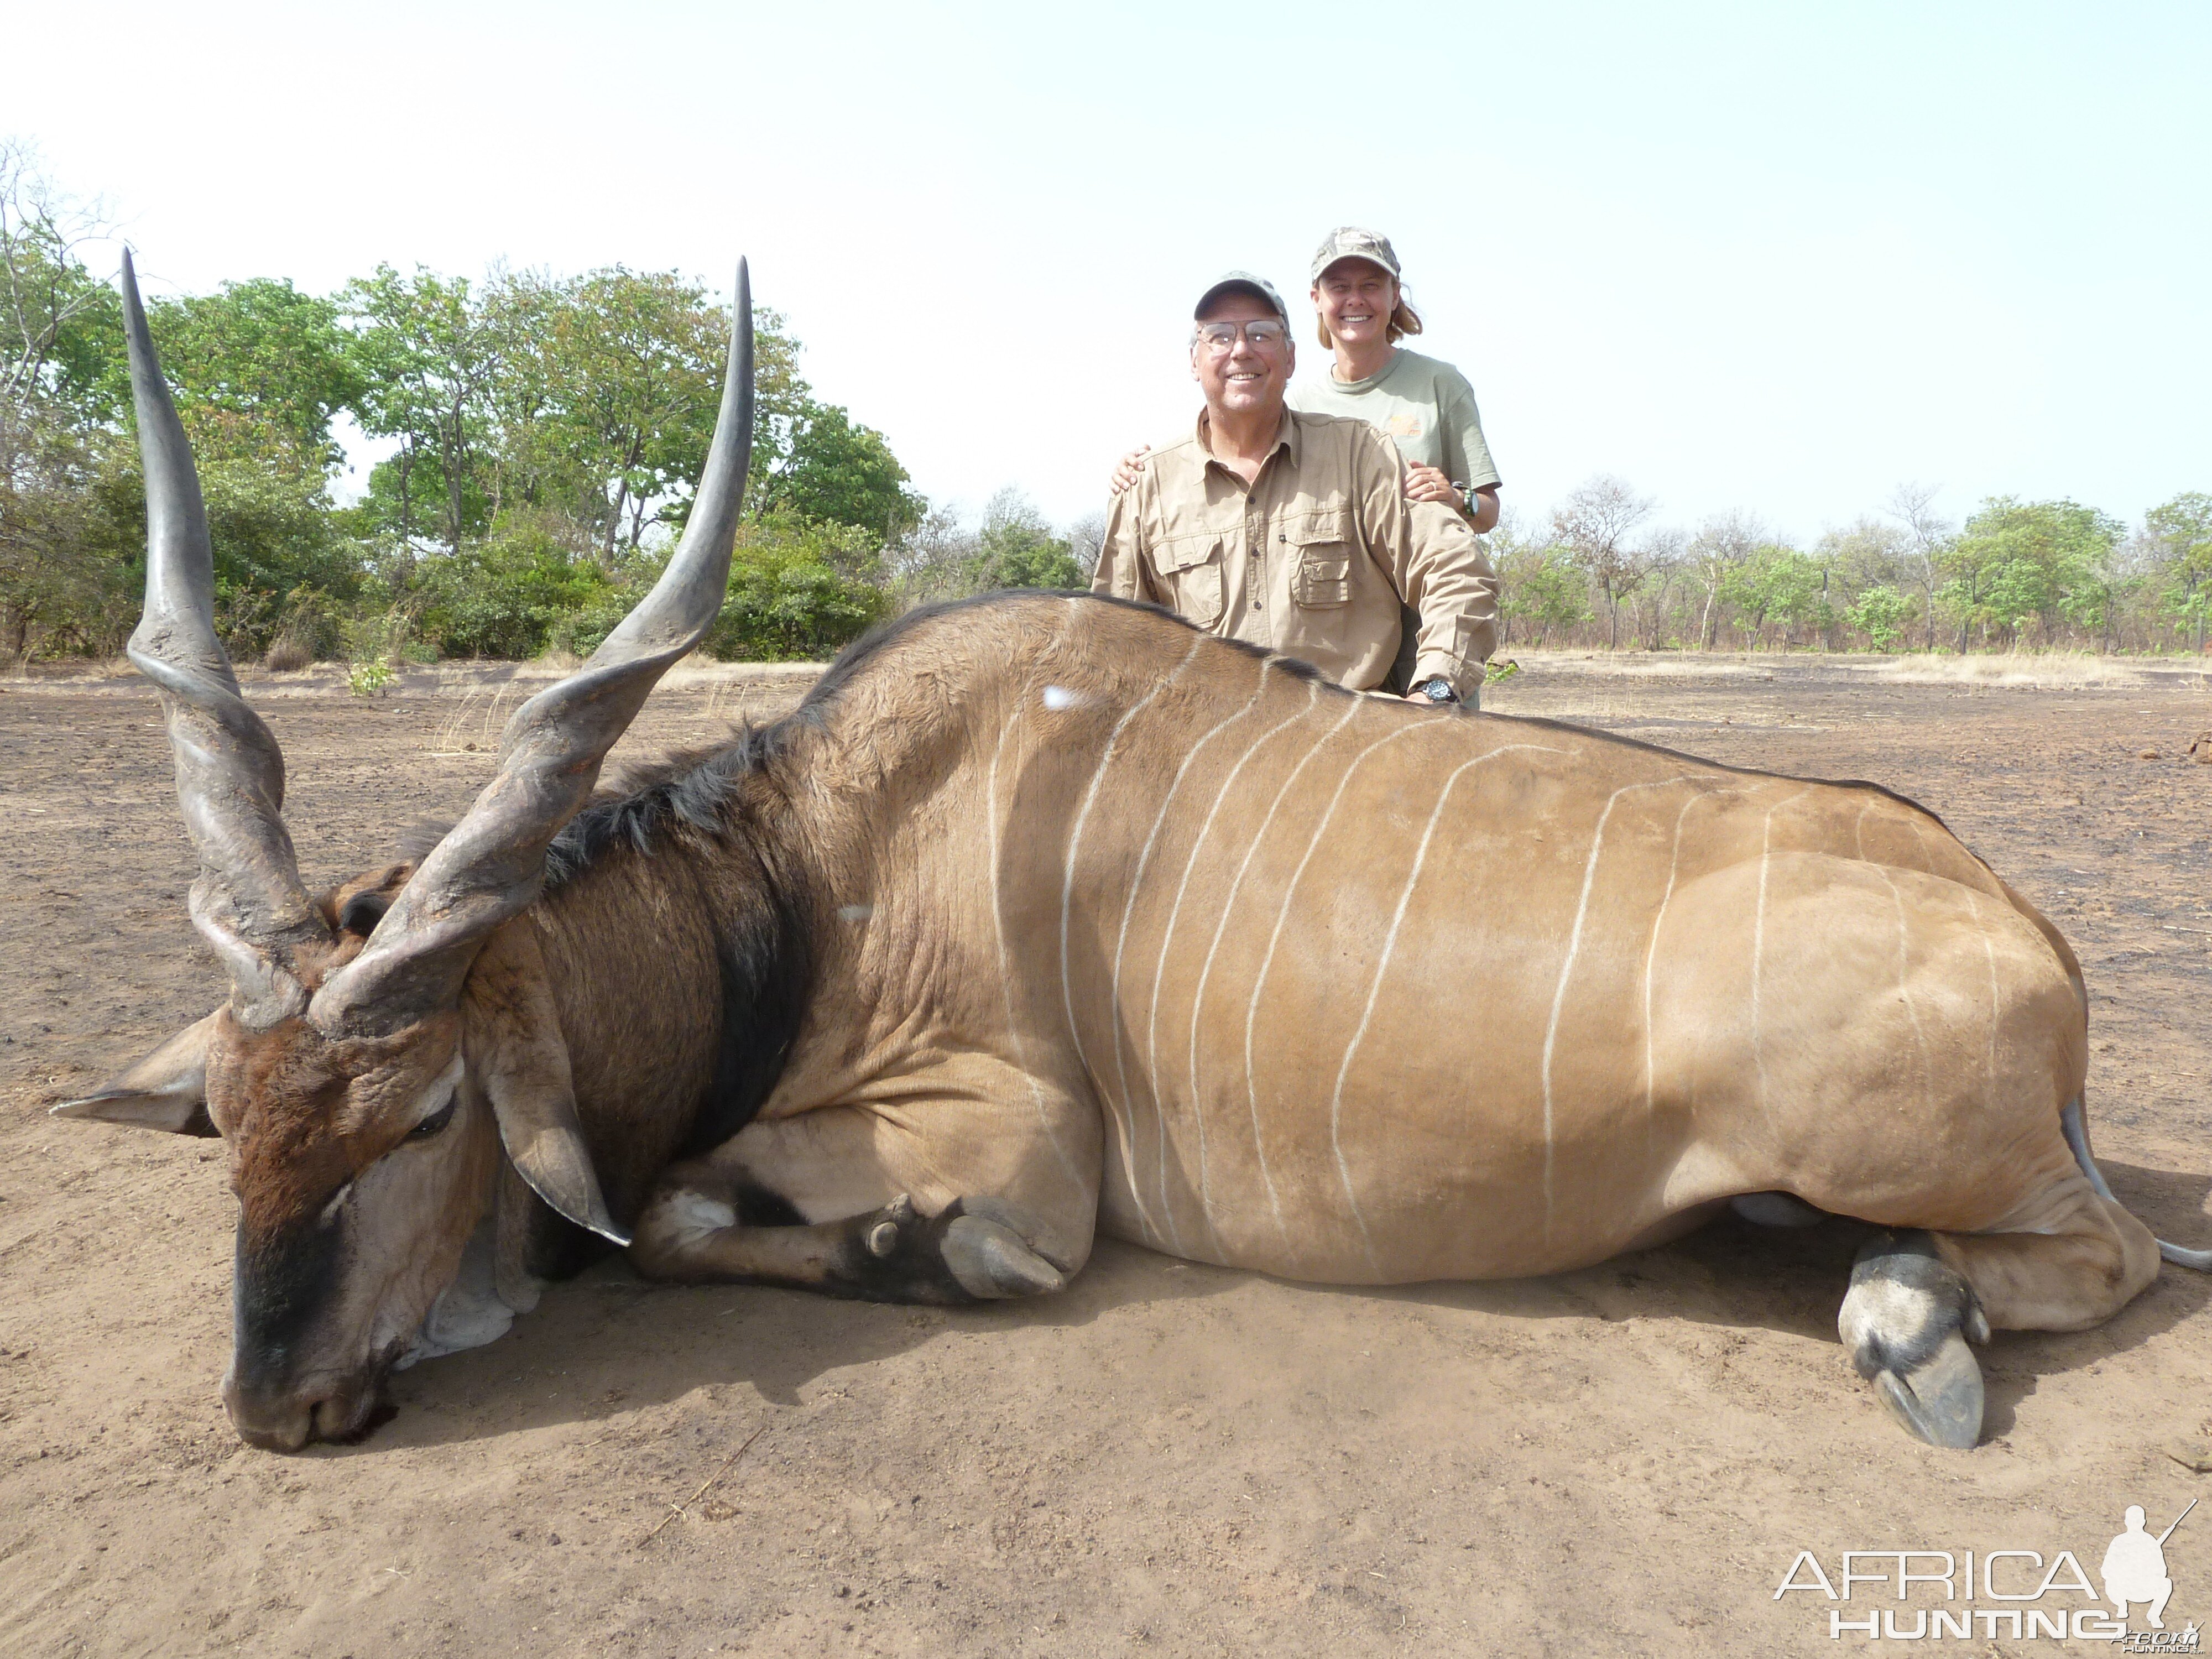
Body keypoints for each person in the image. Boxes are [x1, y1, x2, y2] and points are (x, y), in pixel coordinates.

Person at [1113, 229, 1502, 688]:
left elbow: (1457, 566)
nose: (1241, 350)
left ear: (1289, 357)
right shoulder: (1150, 483)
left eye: (1261, 334)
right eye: (1219, 336)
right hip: (1208, 743)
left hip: (1362, 722)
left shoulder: (1365, 445)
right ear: (1193, 360)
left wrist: (1438, 688)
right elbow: (1111, 644)